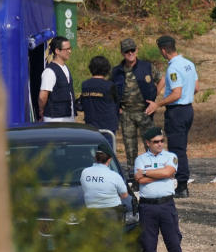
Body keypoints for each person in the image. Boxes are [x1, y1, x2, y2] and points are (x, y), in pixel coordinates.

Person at [134, 126, 189, 252]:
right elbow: (139, 180)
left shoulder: (171, 156)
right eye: (156, 142)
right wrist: (160, 174)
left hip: (166, 205)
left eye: (161, 141)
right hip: (147, 206)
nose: (159, 144)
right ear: (147, 143)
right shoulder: (140, 159)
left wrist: (147, 173)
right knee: (149, 245)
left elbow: (169, 172)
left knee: (173, 243)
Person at [145, 36, 198, 198]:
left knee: (177, 148)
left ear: (163, 50)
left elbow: (176, 93)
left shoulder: (173, 68)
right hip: (188, 109)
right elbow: (196, 88)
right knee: (181, 146)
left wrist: (158, 104)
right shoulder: (189, 63)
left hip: (177, 112)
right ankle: (181, 181)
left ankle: (181, 185)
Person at [111, 38, 162, 173]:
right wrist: (117, 107)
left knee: (151, 143)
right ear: (122, 53)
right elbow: (110, 89)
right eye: (127, 51)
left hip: (145, 112)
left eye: (132, 50)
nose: (130, 53)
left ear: (137, 50)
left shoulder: (147, 67)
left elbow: (161, 79)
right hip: (127, 114)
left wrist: (155, 96)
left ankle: (153, 170)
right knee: (130, 147)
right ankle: (134, 174)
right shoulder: (117, 71)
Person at [80, 147, 130, 219]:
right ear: (109, 160)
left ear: (95, 158)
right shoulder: (114, 175)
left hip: (92, 213)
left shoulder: (85, 172)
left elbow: (85, 188)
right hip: (112, 213)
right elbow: (124, 195)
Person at [38, 36, 75, 122]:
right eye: (67, 49)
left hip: (68, 116)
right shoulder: (49, 72)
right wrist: (41, 111)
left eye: (70, 48)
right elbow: (43, 96)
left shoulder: (65, 67)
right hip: (54, 119)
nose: (70, 51)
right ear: (57, 51)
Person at [78, 55, 119, 133]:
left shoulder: (85, 85)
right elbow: (116, 103)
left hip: (91, 126)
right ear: (107, 69)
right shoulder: (110, 85)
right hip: (108, 127)